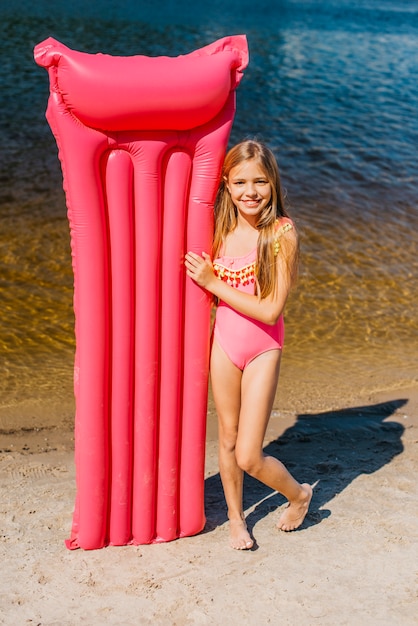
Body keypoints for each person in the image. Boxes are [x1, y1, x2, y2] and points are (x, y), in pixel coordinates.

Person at [185, 140, 312, 550]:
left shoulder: (280, 233)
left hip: (262, 347)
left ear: (273, 184)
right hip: (224, 342)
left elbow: (271, 309)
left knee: (249, 455)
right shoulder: (218, 229)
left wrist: (213, 282)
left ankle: (299, 495)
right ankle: (236, 519)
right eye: (240, 182)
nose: (250, 191)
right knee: (226, 437)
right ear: (226, 183)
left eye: (260, 181)